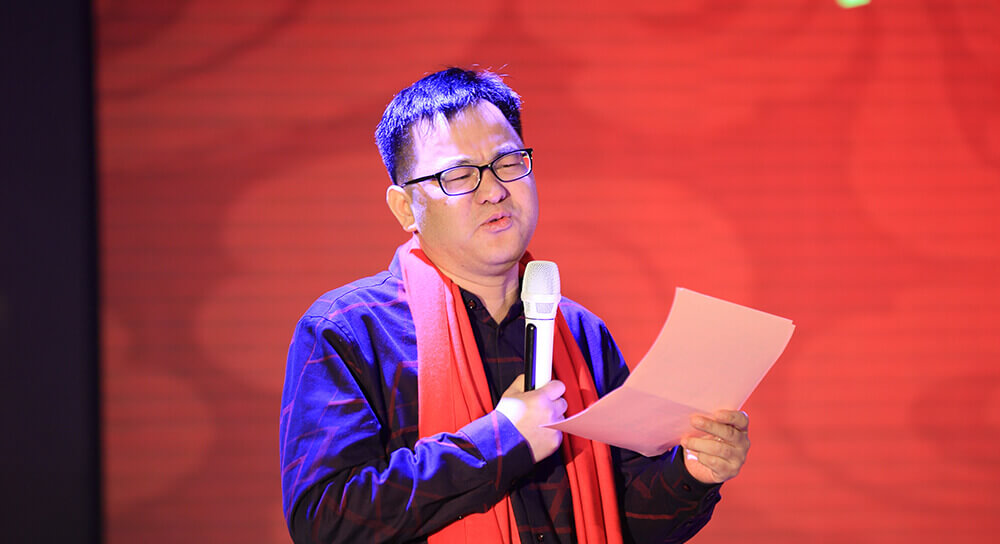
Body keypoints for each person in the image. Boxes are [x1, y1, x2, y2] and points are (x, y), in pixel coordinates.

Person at [279, 67, 751, 544]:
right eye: (459, 175)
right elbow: (326, 520)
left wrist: (692, 472)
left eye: (508, 162)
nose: (494, 190)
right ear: (405, 208)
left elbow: (622, 520)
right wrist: (501, 439)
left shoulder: (581, 332)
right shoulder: (349, 330)